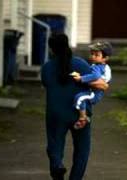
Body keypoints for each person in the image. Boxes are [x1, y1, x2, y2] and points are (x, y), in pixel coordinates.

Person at [41, 33, 108, 180]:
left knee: (55, 145)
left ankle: (57, 165)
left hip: (56, 113)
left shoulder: (46, 68)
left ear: (51, 49)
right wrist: (83, 82)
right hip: (80, 112)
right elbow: (100, 83)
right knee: (82, 150)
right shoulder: (80, 64)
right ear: (67, 44)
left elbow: (47, 84)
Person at [71, 42, 112, 129]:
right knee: (81, 98)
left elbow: (95, 76)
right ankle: (84, 116)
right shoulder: (100, 66)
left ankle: (83, 117)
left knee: (79, 98)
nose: (92, 56)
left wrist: (81, 78)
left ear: (105, 58)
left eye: (96, 55)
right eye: (92, 54)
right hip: (93, 91)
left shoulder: (98, 67)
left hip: (94, 93)